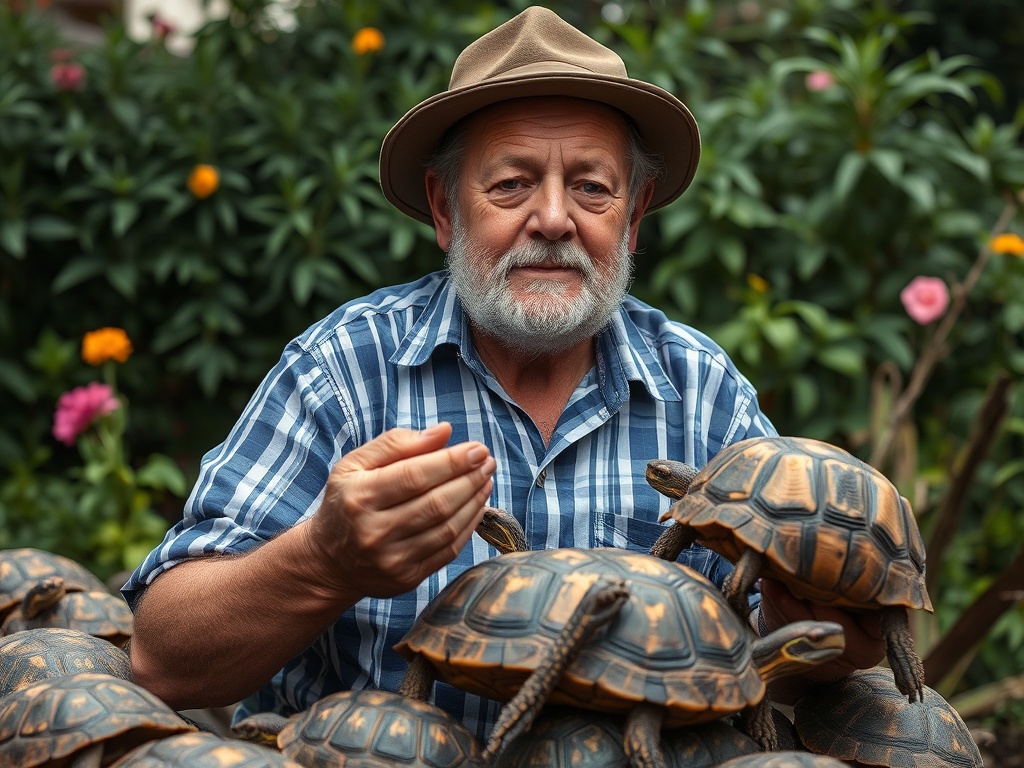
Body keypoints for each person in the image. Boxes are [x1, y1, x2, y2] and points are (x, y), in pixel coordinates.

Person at [124, 6, 883, 738]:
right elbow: (163, 657)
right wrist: (324, 560)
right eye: (511, 183)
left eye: (592, 186)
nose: (554, 218)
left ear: (636, 211)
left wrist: (815, 627)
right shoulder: (346, 371)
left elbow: (788, 654)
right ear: (445, 207)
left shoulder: (702, 395)